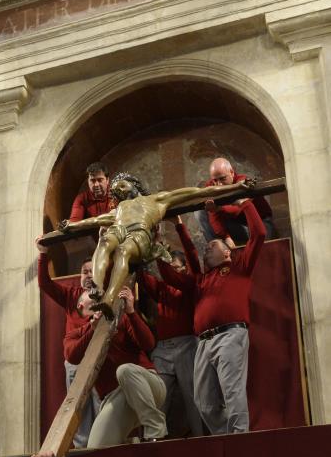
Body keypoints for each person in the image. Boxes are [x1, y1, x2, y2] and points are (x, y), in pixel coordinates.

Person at [60, 171, 256, 319]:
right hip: (118, 229)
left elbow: (199, 192)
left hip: (139, 233)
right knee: (104, 242)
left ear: (134, 184)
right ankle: (97, 288)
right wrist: (71, 225)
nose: (117, 190)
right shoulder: (119, 209)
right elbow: (94, 221)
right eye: (115, 190)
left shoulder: (156, 199)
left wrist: (238, 187)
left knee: (123, 251)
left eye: (122, 185)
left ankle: (109, 298)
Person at [158, 201, 266, 434]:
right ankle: (225, 437)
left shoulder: (239, 266)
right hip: (203, 343)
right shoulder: (200, 280)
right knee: (204, 402)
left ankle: (240, 438)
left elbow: (259, 234)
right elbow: (173, 274)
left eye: (212, 244)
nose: (207, 247)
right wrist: (175, 230)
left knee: (232, 391)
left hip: (230, 335)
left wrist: (244, 203)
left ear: (227, 251)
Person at [65, 285, 167, 447]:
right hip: (117, 398)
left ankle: (155, 427)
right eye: (92, 297)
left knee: (125, 370)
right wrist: (93, 331)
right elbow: (71, 356)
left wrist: (131, 312)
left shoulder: (121, 318)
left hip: (147, 385)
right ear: (80, 305)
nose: (98, 299)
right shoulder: (76, 333)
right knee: (97, 447)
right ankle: (129, 443)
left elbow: (148, 344)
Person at [37, 237, 100, 447]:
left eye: (92, 271)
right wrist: (43, 254)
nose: (88, 275)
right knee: (78, 413)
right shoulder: (70, 295)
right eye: (85, 272)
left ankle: (103, 448)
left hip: (101, 358)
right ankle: (84, 452)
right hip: (74, 362)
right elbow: (45, 283)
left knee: (102, 409)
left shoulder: (109, 292)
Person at [138, 243, 204, 437]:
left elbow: (171, 278)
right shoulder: (162, 289)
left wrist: (160, 258)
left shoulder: (189, 283)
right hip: (163, 348)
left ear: (183, 268)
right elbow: (144, 280)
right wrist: (139, 261)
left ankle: (201, 439)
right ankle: (155, 441)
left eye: (175, 267)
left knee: (193, 396)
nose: (171, 271)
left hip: (186, 345)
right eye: (170, 267)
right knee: (158, 396)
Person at [196, 157, 275, 246]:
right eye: (215, 180)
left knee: (263, 247)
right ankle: (217, 248)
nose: (219, 184)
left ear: (232, 172)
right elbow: (214, 216)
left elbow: (239, 208)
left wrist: (219, 208)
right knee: (201, 211)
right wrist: (226, 237)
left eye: (223, 178)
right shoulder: (211, 186)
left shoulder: (243, 182)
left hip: (260, 222)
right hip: (236, 225)